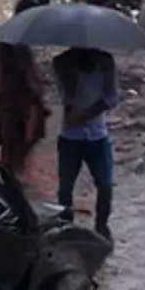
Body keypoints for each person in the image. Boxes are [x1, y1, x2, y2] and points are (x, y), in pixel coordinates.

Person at [53, 47, 119, 239]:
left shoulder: (105, 61)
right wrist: (73, 73)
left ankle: (101, 226)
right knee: (65, 187)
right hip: (70, 138)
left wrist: (83, 115)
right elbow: (68, 99)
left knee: (105, 185)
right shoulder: (62, 62)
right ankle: (66, 228)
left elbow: (111, 98)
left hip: (97, 136)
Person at [0, 0, 50, 176]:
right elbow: (26, 78)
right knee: (19, 151)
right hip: (21, 108)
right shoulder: (17, 43)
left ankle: (11, 182)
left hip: (9, 105)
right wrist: (38, 100)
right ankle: (14, 187)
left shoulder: (7, 36)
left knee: (11, 150)